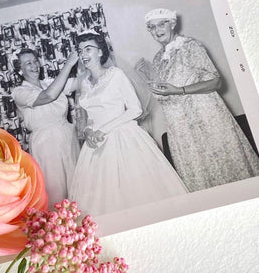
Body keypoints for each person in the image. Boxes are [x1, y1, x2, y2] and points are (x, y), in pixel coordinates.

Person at [135, 8, 259, 192]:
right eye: (152, 27)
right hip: (181, 128)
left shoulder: (191, 46)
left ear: (172, 23)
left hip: (207, 118)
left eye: (162, 23)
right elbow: (164, 92)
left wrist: (180, 90)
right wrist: (146, 76)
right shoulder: (157, 59)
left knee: (227, 169)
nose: (157, 30)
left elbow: (216, 81)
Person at [69, 32, 187, 217]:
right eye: (80, 50)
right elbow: (89, 116)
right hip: (95, 145)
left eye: (88, 49)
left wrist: (103, 130)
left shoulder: (116, 74)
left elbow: (135, 110)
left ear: (100, 52)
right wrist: (88, 129)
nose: (83, 54)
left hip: (122, 138)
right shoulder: (84, 83)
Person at [12, 48, 80, 207]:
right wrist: (69, 64)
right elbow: (48, 96)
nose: (34, 65)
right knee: (56, 191)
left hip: (68, 138)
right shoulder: (19, 92)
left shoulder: (50, 82)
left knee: (77, 186)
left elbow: (81, 81)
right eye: (28, 63)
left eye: (35, 60)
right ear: (19, 70)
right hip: (46, 143)